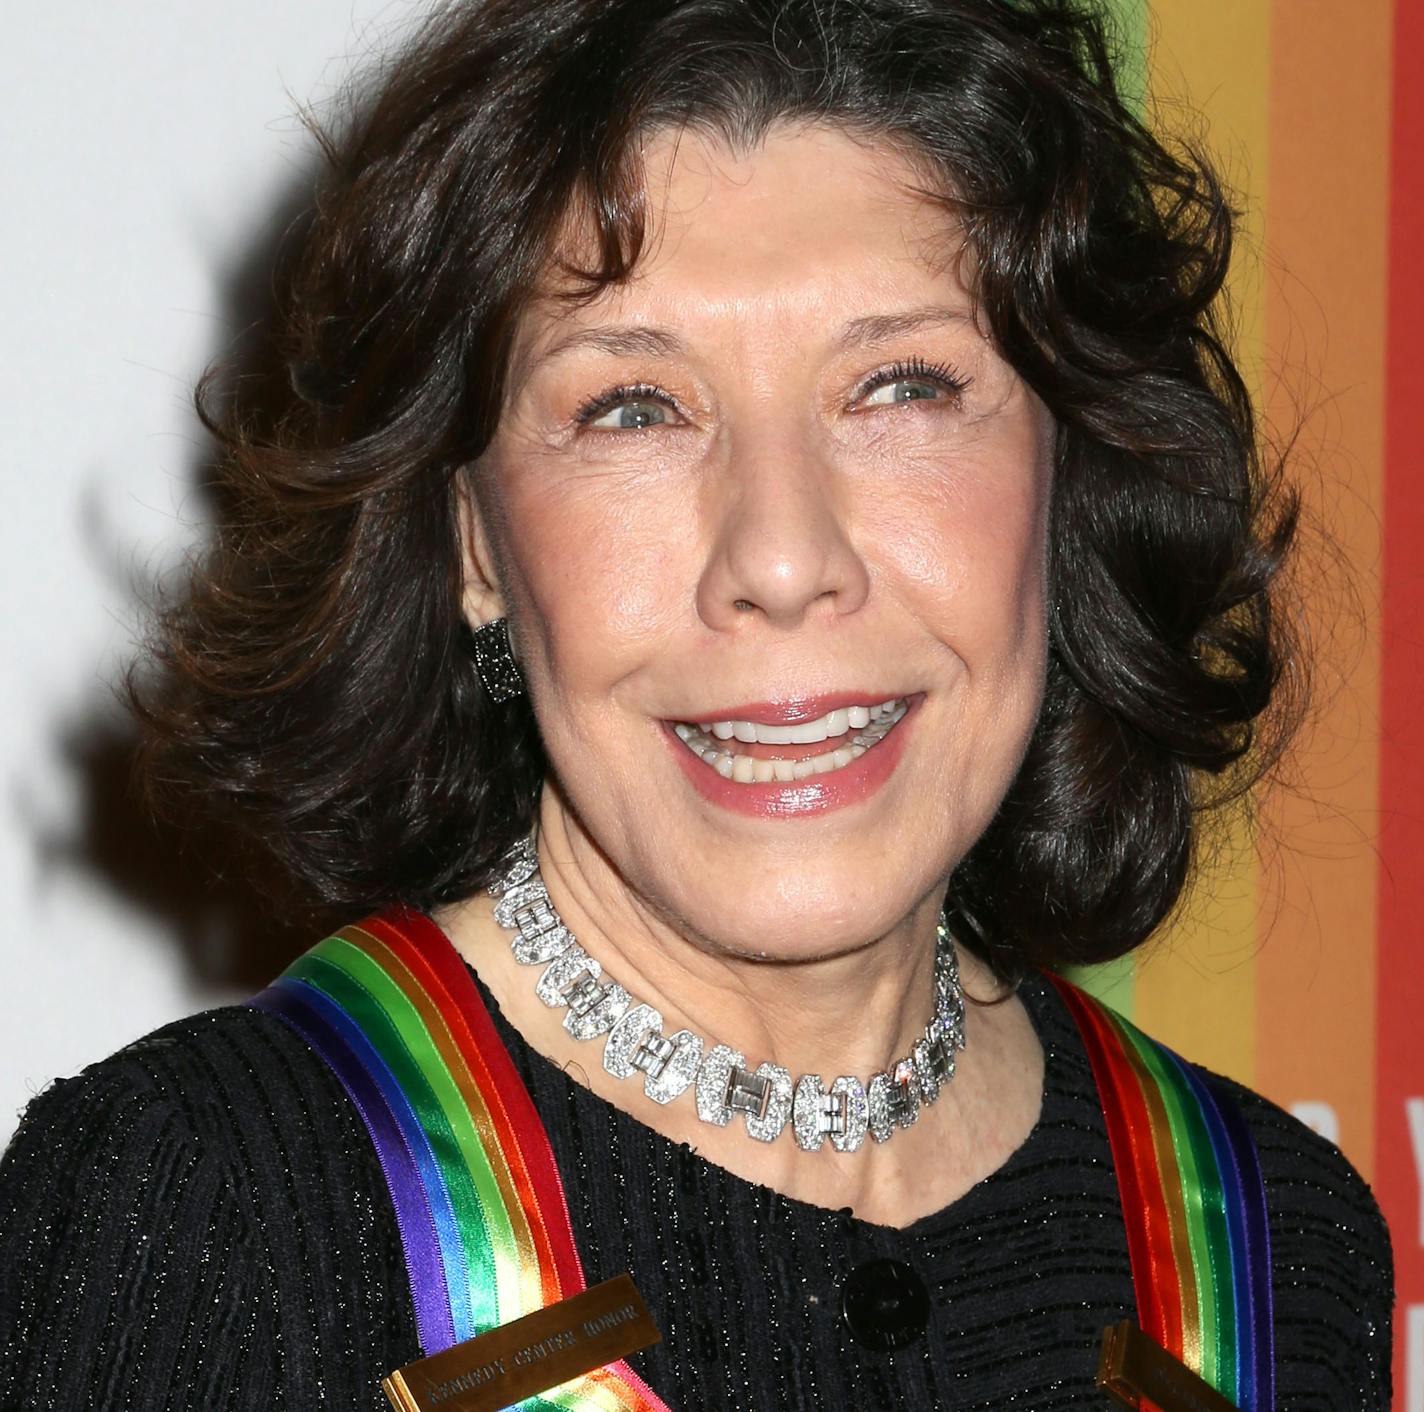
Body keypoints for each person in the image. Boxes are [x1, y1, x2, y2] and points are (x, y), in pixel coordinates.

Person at [0, 0, 1393, 1407]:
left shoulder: (1282, 1247)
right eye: (634, 409)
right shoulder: (210, 1204)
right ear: (472, 544)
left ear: (1066, 482)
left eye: (900, 387)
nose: (782, 560)